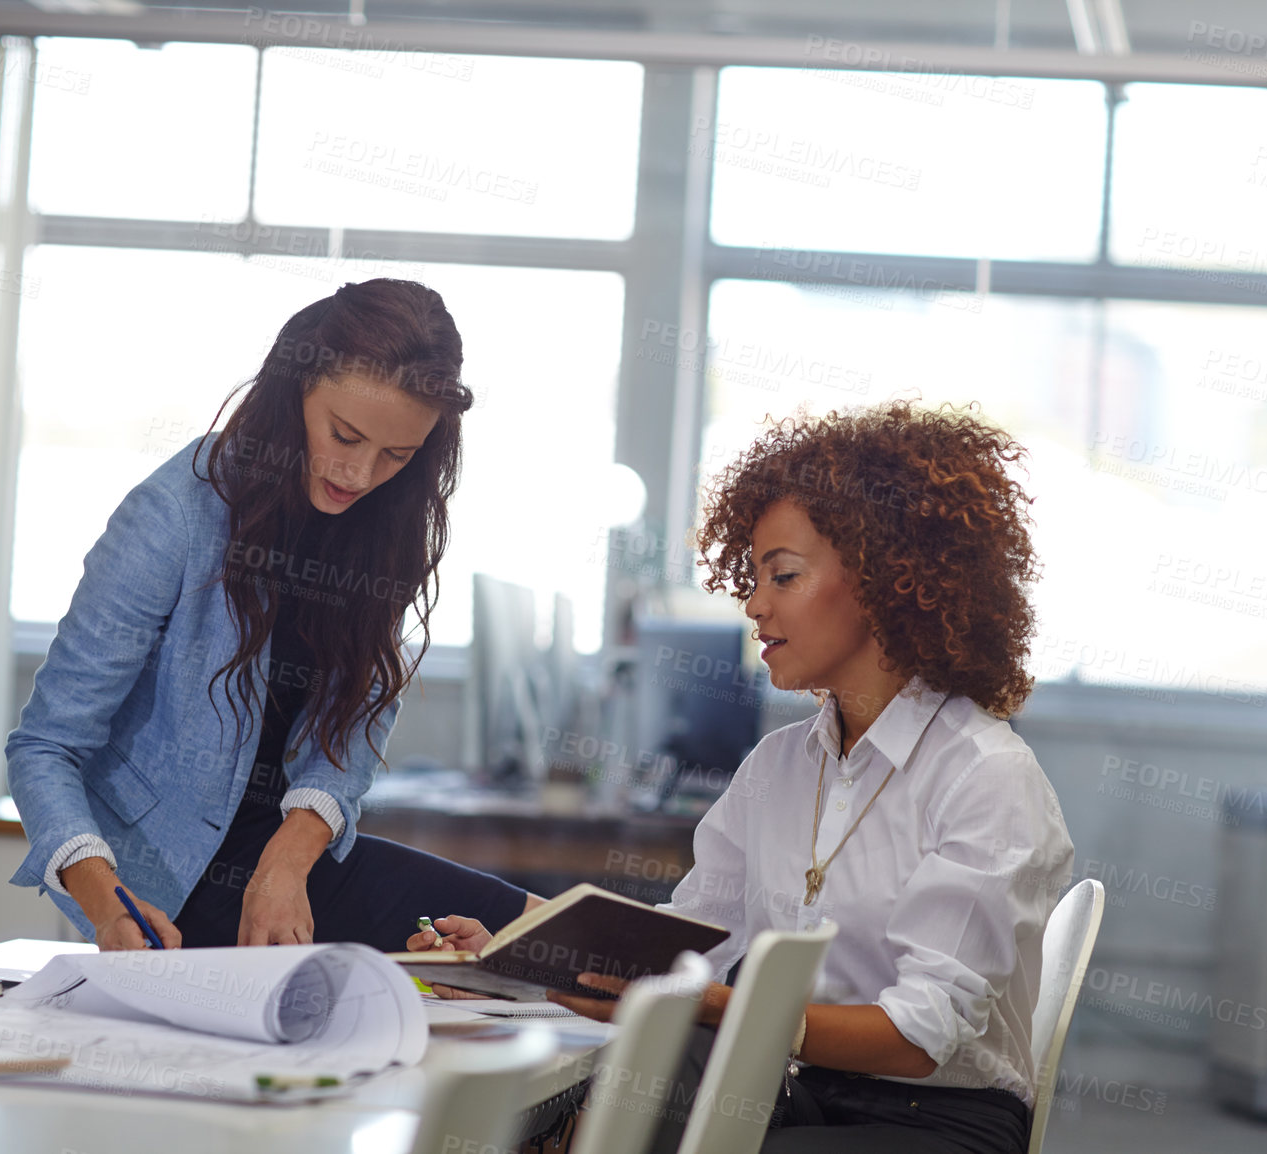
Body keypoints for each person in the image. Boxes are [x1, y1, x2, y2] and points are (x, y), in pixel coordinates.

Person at [444, 399, 1076, 1153]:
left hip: (934, 1124)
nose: (753, 604)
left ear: (885, 578)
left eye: (783, 576)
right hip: (792, 1092)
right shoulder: (778, 766)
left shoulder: (987, 778)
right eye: (752, 577)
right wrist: (521, 957)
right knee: (574, 1108)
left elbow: (918, 1037)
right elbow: (687, 947)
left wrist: (716, 1007)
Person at [6, 278, 541, 952]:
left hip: (292, 862)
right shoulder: (173, 514)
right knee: (524, 950)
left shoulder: (384, 521)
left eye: (395, 456)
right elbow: (46, 747)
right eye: (344, 435)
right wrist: (105, 902)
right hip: (164, 893)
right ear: (293, 394)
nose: (360, 473)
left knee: (551, 937)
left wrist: (288, 859)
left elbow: (358, 718)